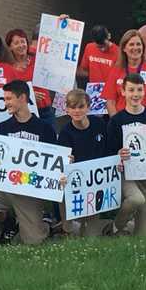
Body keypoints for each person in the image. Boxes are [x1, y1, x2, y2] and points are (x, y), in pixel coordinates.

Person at [0, 81, 56, 245]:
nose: (5, 103)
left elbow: (53, 160)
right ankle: (9, 221)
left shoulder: (44, 128)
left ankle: (45, 224)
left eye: (9, 98)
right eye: (5, 98)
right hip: (6, 186)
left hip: (29, 189)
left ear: (23, 98)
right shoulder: (3, 127)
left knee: (34, 241)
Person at [106, 75, 146, 237]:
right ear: (123, 92)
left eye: (139, 90)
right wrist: (118, 154)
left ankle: (140, 224)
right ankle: (116, 226)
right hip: (126, 174)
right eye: (131, 90)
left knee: (143, 235)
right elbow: (109, 152)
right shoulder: (116, 120)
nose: (135, 94)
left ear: (144, 91)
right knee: (137, 199)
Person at [54, 89, 113, 237]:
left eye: (81, 107)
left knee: (90, 237)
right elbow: (63, 164)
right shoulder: (65, 132)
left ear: (88, 107)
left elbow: (109, 151)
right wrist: (68, 162)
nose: (77, 111)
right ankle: (67, 227)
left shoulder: (100, 124)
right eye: (72, 107)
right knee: (61, 184)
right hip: (77, 179)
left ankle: (106, 226)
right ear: (66, 109)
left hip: (98, 180)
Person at [101, 29, 146, 116]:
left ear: (143, 47)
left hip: (144, 123)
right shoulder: (116, 69)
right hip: (122, 122)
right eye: (131, 44)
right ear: (124, 48)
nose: (135, 48)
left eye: (138, 44)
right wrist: (117, 123)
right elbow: (110, 102)